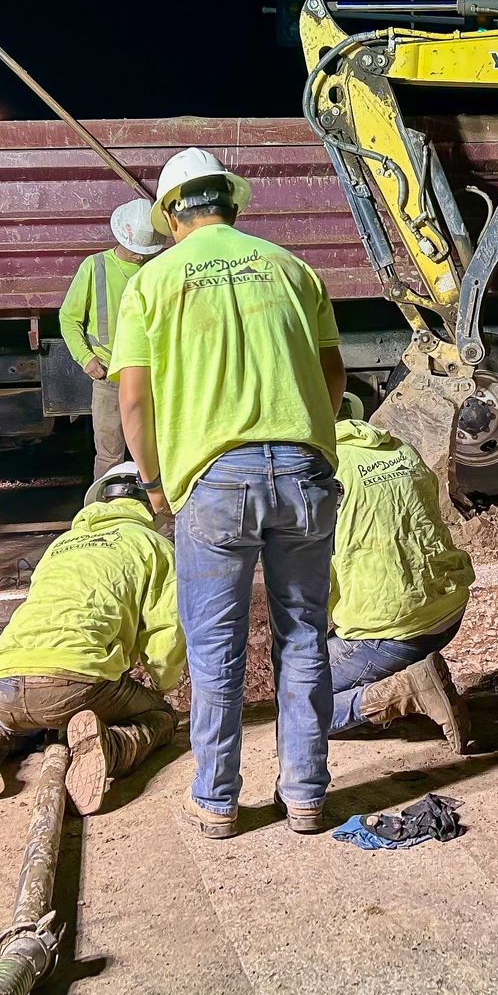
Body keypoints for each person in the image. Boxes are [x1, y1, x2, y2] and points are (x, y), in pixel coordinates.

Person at [110, 146, 346, 840]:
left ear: (171, 218)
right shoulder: (292, 268)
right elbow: (332, 376)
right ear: (231, 205)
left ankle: (217, 802)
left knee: (216, 648)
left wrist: (154, 487)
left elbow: (132, 401)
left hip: (214, 485)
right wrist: (306, 437)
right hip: (302, 471)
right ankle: (305, 797)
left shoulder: (153, 283)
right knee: (304, 636)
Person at [0, 463, 182, 813]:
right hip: (73, 681)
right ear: (153, 504)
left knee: (35, 719)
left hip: (2, 680)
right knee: (161, 716)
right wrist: (160, 686)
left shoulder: (61, 544)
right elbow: (167, 631)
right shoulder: (153, 545)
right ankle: (112, 746)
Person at [328, 402, 474, 751]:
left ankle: (406, 692)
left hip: (395, 628)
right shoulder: (399, 448)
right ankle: (407, 680)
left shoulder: (324, 469)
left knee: (296, 698)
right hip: (447, 608)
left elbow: (316, 578)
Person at [59, 199, 170, 480]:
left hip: (154, 376)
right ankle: (106, 515)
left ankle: (162, 517)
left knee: (159, 451)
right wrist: (86, 359)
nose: (141, 256)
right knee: (109, 455)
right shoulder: (95, 266)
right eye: (138, 250)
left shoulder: (160, 268)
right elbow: (68, 318)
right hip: (109, 376)